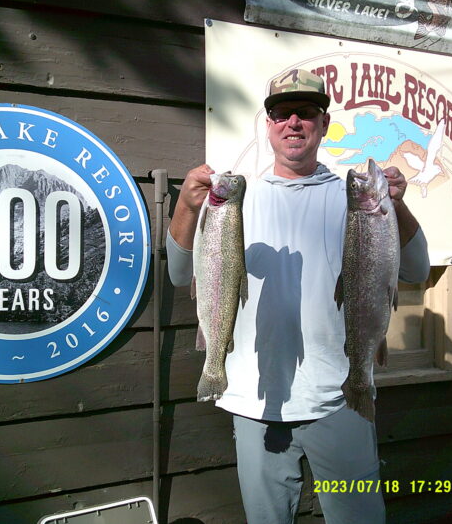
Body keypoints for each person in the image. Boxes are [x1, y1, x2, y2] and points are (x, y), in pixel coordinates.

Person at [166, 68, 430, 524]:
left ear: (324, 123)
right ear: (267, 124)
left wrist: (397, 205)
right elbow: (179, 273)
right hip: (253, 401)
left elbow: (417, 270)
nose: (293, 122)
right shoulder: (234, 200)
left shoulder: (352, 198)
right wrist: (187, 208)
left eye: (306, 113)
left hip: (341, 397)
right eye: (281, 113)